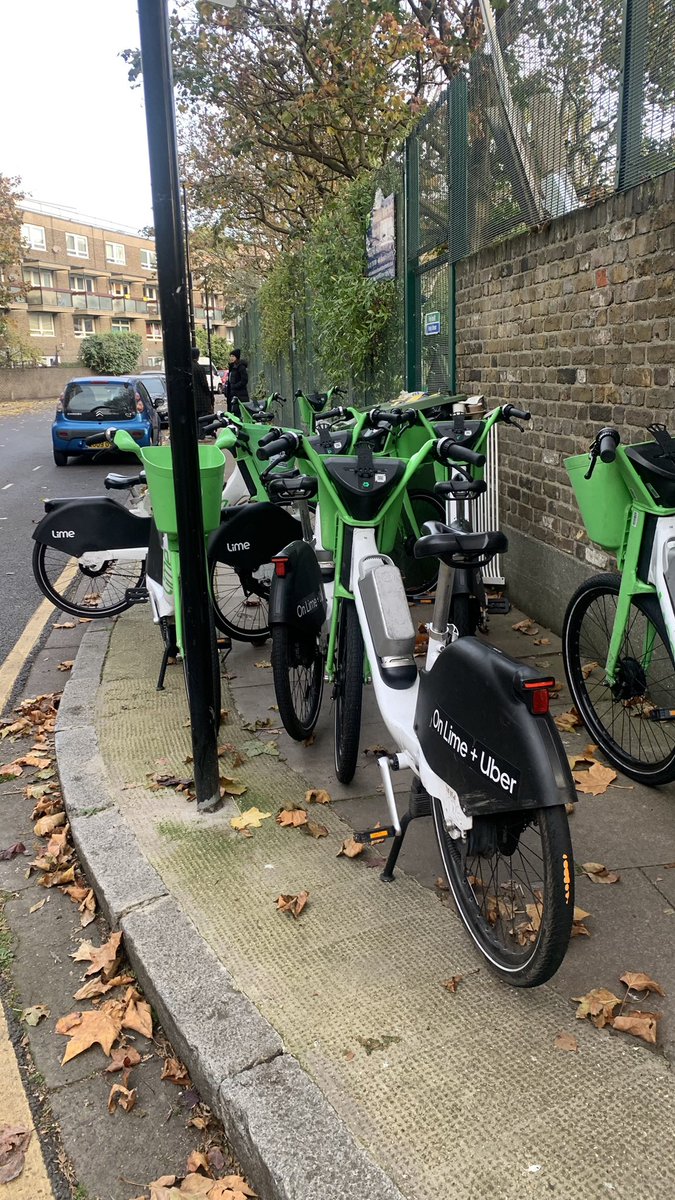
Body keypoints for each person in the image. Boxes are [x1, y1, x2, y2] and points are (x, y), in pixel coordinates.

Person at [225, 348, 249, 417]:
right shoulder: (232, 367)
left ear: (237, 357)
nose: (231, 358)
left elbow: (244, 380)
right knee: (234, 413)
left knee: (239, 413)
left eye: (233, 356)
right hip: (232, 394)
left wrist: (235, 386)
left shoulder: (241, 367)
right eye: (231, 356)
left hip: (240, 395)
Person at [191, 346, 213, 420]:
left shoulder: (187, 368)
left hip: (191, 401)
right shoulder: (199, 368)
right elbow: (204, 384)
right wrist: (209, 395)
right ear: (197, 356)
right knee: (203, 421)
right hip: (202, 402)